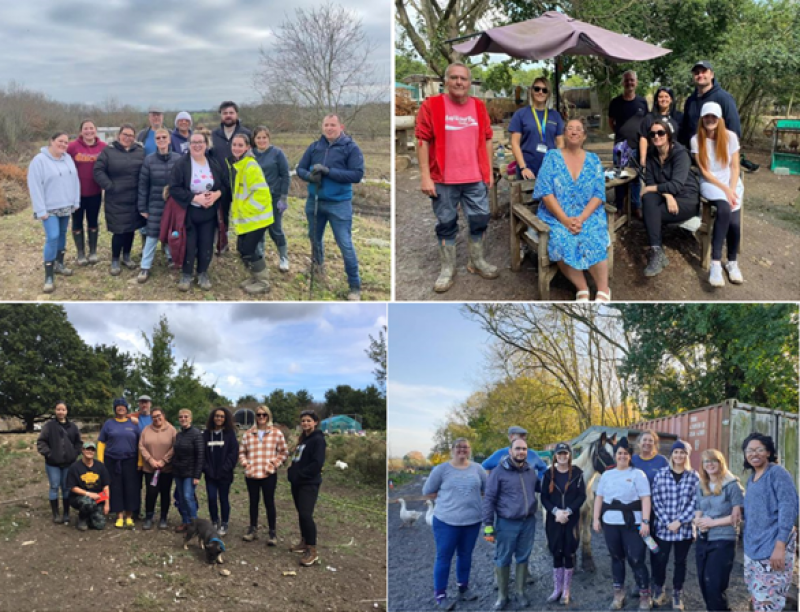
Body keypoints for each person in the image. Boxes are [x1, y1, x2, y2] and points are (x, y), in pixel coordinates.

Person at [415, 62, 499, 293]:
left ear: (470, 83)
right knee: (446, 223)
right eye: (454, 78)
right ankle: (447, 268)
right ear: (446, 81)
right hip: (443, 179)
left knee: (480, 219)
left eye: (463, 78)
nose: (459, 82)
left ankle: (477, 260)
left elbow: (488, 138)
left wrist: (489, 170)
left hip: (474, 177)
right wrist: (425, 176)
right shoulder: (432, 105)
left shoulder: (479, 107)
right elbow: (422, 140)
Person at [533, 118, 611, 302]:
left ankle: (603, 289)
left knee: (593, 235)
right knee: (561, 239)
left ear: (584, 136)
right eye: (570, 128)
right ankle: (582, 287)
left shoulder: (593, 160)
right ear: (564, 134)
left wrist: (582, 218)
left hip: (588, 214)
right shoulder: (552, 157)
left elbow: (599, 193)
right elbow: (545, 191)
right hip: (556, 215)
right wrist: (565, 219)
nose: (574, 132)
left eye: (578, 129)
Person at [296, 114, 365, 301]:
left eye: (332, 125)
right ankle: (318, 270)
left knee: (345, 244)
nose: (329, 128)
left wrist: (329, 172)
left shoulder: (351, 148)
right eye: (326, 125)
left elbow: (357, 175)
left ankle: (354, 285)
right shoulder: (314, 147)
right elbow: (299, 169)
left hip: (339, 203)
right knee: (314, 239)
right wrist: (310, 176)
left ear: (340, 126)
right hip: (315, 200)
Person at [422, 437, 486, 610]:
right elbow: (427, 491)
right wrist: (447, 500)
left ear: (470, 449)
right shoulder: (441, 470)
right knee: (444, 557)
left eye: (465, 447)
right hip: (446, 522)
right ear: (452, 449)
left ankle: (463, 588)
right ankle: (440, 595)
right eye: (459, 447)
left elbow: (487, 490)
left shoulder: (478, 469)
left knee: (465, 555)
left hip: (472, 522)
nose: (462, 450)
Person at [593, 436, 652, 610]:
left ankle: (644, 595)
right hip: (611, 523)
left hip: (632, 523)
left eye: (626, 453)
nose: (622, 456)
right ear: (615, 455)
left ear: (630, 456)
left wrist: (645, 521)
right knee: (616, 558)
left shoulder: (637, 474)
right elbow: (599, 498)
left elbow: (645, 499)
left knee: (636, 559)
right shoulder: (607, 475)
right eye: (619, 453)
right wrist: (596, 518)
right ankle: (619, 594)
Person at [741, 433, 799, 612]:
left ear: (768, 452)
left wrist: (780, 546)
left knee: (769, 603)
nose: (754, 454)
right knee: (757, 598)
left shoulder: (777, 473)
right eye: (749, 450)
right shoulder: (751, 478)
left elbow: (789, 509)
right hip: (753, 550)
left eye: (759, 449)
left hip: (774, 549)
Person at [482, 437, 541, 610]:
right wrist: (488, 525)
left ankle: (520, 592)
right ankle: (502, 595)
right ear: (510, 451)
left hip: (528, 522)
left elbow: (541, 488)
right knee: (503, 558)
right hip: (507, 522)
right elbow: (489, 499)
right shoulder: (498, 472)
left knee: (523, 556)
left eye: (524, 449)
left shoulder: (530, 471)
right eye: (518, 449)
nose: (521, 452)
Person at [168, 130, 229, 292]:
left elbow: (224, 185)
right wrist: (195, 198)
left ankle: (202, 273)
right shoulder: (182, 164)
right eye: (193, 142)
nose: (197, 145)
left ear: (206, 144)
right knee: (189, 245)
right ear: (189, 145)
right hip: (189, 213)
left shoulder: (213, 163)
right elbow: (174, 188)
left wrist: (217, 194)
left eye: (200, 142)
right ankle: (186, 274)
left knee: (206, 244)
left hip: (209, 214)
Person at [691, 102, 744, 288]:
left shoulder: (730, 137)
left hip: (731, 181)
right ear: (702, 119)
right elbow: (704, 171)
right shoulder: (696, 140)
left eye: (714, 116)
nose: (710, 120)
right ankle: (715, 263)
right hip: (711, 183)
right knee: (723, 209)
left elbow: (735, 166)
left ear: (720, 119)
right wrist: (726, 190)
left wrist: (732, 188)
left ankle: (732, 262)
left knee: (735, 223)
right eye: (707, 116)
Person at [641, 116, 700, 277]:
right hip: (668, 197)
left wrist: (655, 189)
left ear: (668, 135)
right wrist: (667, 195)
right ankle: (657, 251)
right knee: (648, 200)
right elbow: (651, 180)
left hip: (686, 199)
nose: (656, 137)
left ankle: (656, 252)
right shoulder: (652, 154)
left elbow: (675, 185)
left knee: (651, 212)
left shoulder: (680, 154)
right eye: (652, 134)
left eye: (660, 133)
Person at [27, 130, 81, 293]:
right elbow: (34, 186)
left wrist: (75, 200)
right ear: (51, 141)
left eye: (66, 142)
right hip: (49, 208)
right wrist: (40, 209)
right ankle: (48, 275)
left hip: (66, 205)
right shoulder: (39, 161)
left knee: (63, 234)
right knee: (53, 236)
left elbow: (75, 180)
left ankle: (60, 264)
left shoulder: (68, 158)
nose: (64, 145)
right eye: (60, 141)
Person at [650, 439, 699, 610]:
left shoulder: (694, 476)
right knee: (660, 560)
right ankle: (659, 588)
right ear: (671, 455)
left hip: (684, 529)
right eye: (676, 452)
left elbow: (696, 502)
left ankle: (677, 593)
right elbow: (655, 500)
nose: (679, 455)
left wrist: (680, 521)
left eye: (682, 452)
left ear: (687, 455)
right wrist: (667, 521)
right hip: (664, 528)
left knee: (681, 562)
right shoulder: (661, 474)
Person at [693, 448, 744, 612]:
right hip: (704, 538)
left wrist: (712, 523)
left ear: (720, 463)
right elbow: (699, 508)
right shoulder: (702, 484)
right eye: (706, 461)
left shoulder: (732, 485)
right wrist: (697, 521)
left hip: (723, 539)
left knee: (715, 585)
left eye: (713, 460)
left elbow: (737, 517)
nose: (710, 464)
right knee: (703, 582)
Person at [93, 124, 146, 276]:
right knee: (119, 230)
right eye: (125, 134)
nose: (127, 138)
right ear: (119, 135)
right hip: (116, 198)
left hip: (134, 197)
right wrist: (109, 186)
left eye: (131, 135)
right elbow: (98, 170)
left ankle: (127, 256)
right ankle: (115, 259)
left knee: (130, 229)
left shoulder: (140, 152)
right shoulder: (108, 151)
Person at [226, 133, 274, 294]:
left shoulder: (250, 166)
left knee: (249, 249)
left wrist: (245, 209)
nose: (236, 148)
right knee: (242, 248)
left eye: (240, 145)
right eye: (234, 145)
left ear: (248, 147)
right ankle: (254, 277)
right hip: (248, 218)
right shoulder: (239, 165)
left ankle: (263, 282)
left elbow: (261, 194)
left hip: (257, 218)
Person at [540, 442, 586, 605]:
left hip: (571, 519)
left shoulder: (577, 474)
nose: (562, 456)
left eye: (565, 453)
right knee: (556, 551)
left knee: (569, 552)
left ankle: (566, 590)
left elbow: (582, 496)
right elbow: (544, 497)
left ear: (569, 455)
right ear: (555, 456)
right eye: (559, 453)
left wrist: (568, 511)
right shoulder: (548, 474)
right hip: (554, 520)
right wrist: (555, 512)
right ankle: (557, 588)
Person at [135, 128, 181, 283]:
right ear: (155, 141)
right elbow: (143, 185)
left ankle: (171, 258)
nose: (161, 140)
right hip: (154, 204)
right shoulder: (149, 160)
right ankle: (145, 267)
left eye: (164, 137)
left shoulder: (178, 159)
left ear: (169, 140)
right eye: (158, 138)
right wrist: (143, 207)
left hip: (173, 204)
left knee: (171, 232)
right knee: (152, 235)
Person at [239, 405, 288, 544]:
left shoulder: (276, 433)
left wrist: (274, 464)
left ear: (268, 416)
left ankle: (272, 533)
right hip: (252, 474)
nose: (261, 417)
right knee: (253, 502)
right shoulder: (248, 434)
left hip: (268, 474)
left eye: (264, 415)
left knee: (269, 503)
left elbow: (284, 452)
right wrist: (245, 464)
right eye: (259, 415)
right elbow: (241, 452)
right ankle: (252, 529)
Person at [287, 410, 326, 568]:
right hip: (297, 482)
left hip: (309, 483)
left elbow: (317, 463)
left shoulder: (318, 440)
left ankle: (312, 549)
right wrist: (291, 472)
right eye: (303, 421)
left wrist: (301, 475)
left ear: (315, 422)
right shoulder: (303, 439)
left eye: (309, 420)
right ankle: (304, 541)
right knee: (301, 514)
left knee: (306, 514)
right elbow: (297, 459)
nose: (305, 423)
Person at [210, 100, 252, 242]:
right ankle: (222, 242)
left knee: (243, 214)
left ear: (237, 114)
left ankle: (244, 244)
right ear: (221, 115)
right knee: (221, 215)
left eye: (231, 113)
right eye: (225, 113)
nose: (228, 115)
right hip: (221, 183)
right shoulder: (214, 134)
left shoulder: (246, 133)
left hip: (242, 182)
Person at [67, 119, 107, 265]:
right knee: (77, 222)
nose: (89, 131)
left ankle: (93, 251)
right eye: (86, 128)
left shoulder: (103, 147)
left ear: (95, 130)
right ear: (81, 131)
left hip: (95, 192)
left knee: (93, 221)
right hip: (76, 194)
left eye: (91, 128)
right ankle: (80, 253)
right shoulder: (72, 147)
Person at [509, 76, 565, 180]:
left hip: (550, 169)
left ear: (548, 94)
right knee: (527, 196)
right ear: (531, 91)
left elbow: (560, 143)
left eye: (544, 90)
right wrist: (523, 167)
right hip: (528, 168)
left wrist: (556, 163)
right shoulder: (521, 114)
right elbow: (514, 143)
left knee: (550, 196)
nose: (540, 92)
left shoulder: (555, 115)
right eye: (537, 89)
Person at [251, 126, 291, 272]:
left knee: (275, 228)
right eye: (258, 138)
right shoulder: (250, 155)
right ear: (254, 140)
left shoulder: (277, 153)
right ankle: (260, 256)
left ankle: (283, 257)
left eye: (264, 137)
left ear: (269, 138)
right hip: (256, 198)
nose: (261, 140)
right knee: (258, 228)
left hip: (274, 197)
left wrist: (284, 197)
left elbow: (285, 175)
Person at [608, 71, 648, 216]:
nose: (629, 83)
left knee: (636, 179)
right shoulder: (615, 102)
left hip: (637, 146)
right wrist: (621, 133)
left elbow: (645, 123)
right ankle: (619, 206)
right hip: (620, 147)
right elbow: (611, 122)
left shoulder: (642, 102)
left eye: (632, 80)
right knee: (618, 177)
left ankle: (636, 206)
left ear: (636, 83)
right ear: (622, 83)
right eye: (626, 80)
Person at [97, 398, 140, 529]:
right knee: (116, 488)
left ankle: (129, 516)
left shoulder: (134, 424)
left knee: (130, 488)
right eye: (118, 406)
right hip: (112, 461)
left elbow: (141, 444)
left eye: (123, 406)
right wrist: (100, 461)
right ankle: (119, 516)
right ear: (114, 409)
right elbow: (101, 442)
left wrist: (140, 461)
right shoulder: (109, 424)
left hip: (130, 461)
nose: (121, 408)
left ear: (127, 409)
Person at [36, 401, 82, 524]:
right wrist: (49, 454)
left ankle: (66, 513)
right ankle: (56, 514)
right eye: (58, 409)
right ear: (55, 411)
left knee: (66, 488)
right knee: (54, 486)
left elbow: (78, 442)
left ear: (66, 411)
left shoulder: (73, 427)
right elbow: (41, 442)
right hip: (53, 464)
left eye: (63, 409)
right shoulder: (49, 426)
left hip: (69, 463)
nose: (60, 412)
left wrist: (75, 453)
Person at [678, 61, 741, 148]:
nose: (700, 75)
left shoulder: (724, 98)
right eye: (697, 73)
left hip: (717, 152)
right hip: (693, 152)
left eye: (704, 72)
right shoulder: (690, 100)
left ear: (712, 75)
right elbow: (685, 129)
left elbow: (734, 129)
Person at [203, 407, 239, 537]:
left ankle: (224, 522)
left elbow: (233, 453)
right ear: (213, 417)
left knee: (223, 499)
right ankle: (214, 520)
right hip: (210, 475)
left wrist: (224, 469)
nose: (219, 418)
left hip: (225, 475)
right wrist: (207, 469)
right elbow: (202, 454)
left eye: (222, 416)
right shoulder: (206, 434)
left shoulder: (230, 434)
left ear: (226, 419)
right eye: (217, 416)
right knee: (212, 498)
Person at [138, 406, 176, 530]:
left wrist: (164, 461)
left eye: (158, 416)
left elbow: (175, 447)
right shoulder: (146, 430)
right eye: (153, 417)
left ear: (163, 416)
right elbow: (141, 446)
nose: (156, 419)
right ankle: (149, 517)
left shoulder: (171, 430)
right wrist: (150, 460)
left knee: (165, 493)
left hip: (166, 469)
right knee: (151, 493)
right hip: (150, 469)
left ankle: (163, 518)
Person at [172, 409, 204, 533]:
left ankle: (194, 523)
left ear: (190, 419)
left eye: (186, 417)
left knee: (187, 496)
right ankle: (185, 521)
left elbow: (200, 455)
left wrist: (197, 475)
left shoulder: (196, 434)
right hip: (178, 472)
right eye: (181, 417)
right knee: (181, 497)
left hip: (190, 473)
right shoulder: (179, 435)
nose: (183, 419)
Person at [66, 441, 111, 531]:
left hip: (98, 498)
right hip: (80, 497)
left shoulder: (100, 466)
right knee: (87, 502)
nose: (90, 451)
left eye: (92, 449)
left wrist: (107, 504)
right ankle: (82, 519)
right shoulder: (74, 467)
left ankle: (90, 516)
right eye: (87, 449)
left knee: (100, 525)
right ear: (82, 450)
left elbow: (106, 486)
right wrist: (89, 494)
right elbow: (72, 487)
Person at [638, 87, 683, 170]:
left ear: (671, 99)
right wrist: (643, 159)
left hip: (675, 158)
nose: (663, 99)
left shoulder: (679, 117)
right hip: (655, 159)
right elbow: (643, 138)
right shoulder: (649, 117)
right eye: (660, 97)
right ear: (656, 100)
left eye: (666, 96)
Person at [482, 426, 548, 480]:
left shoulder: (532, 454)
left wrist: (538, 482)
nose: (524, 438)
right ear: (510, 437)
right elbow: (483, 467)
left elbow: (543, 468)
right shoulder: (500, 454)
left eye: (525, 435)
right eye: (521, 435)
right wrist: (492, 481)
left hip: (527, 493)